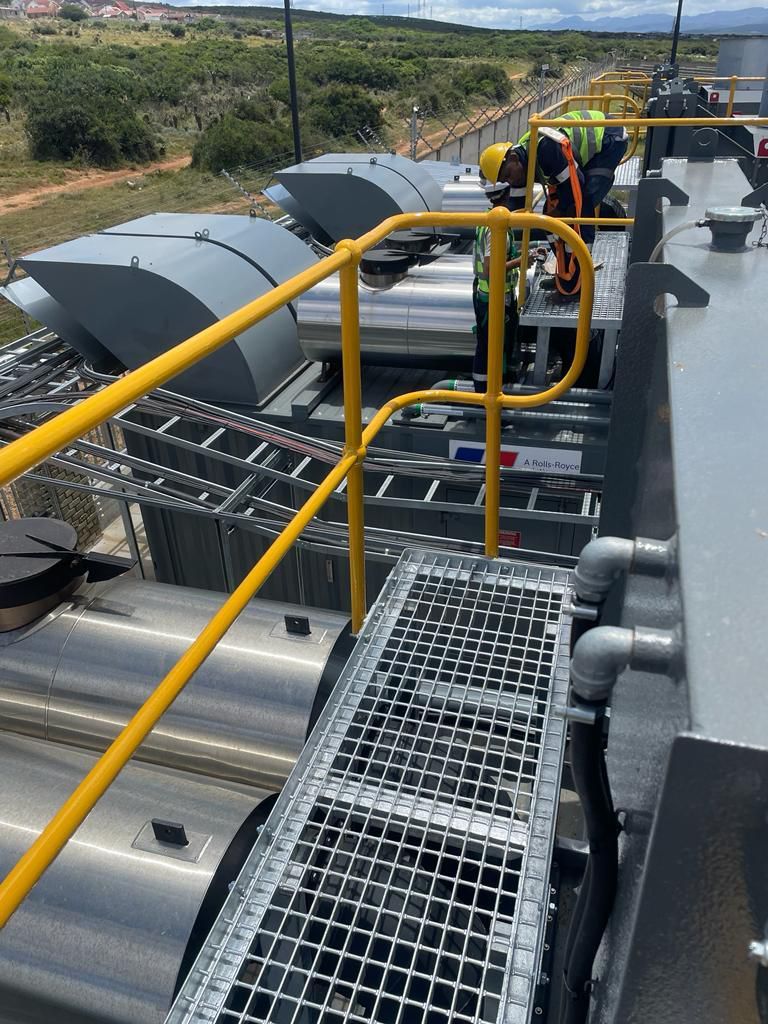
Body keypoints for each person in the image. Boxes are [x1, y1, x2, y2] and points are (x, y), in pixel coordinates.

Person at [479, 111, 628, 298]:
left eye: (508, 175)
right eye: (504, 180)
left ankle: (580, 282)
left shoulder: (546, 149)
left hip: (610, 138)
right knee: (551, 216)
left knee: (581, 206)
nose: (510, 181)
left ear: (514, 158)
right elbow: (515, 205)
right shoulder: (520, 162)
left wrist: (556, 214)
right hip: (582, 151)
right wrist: (492, 223)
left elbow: (574, 190)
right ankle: (565, 275)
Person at [472, 181, 523, 392]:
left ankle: (498, 387)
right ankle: (486, 396)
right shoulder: (495, 227)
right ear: (507, 194)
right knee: (489, 347)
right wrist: (522, 260)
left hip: (491, 294)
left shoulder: (487, 217)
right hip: (493, 297)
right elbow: (490, 268)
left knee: (495, 344)